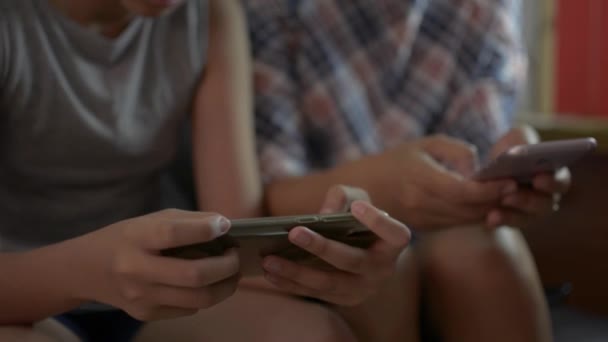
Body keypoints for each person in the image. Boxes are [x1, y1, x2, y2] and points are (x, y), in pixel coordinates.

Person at [0, 0, 412, 341]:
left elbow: (237, 227)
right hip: (30, 297)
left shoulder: (210, 15)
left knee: (313, 334)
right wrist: (87, 272)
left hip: (160, 295)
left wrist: (334, 249)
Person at [241, 0, 571, 340]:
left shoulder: (485, 10)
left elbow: (479, 153)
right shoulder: (271, 12)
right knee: (373, 260)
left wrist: (509, 177)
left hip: (445, 229)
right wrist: (384, 188)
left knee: (485, 253)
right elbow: (262, 199)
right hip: (323, 229)